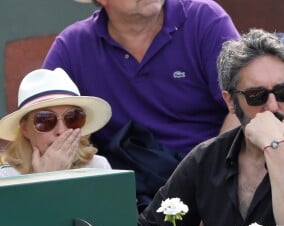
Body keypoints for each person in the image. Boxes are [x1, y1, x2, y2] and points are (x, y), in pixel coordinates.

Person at [42, 0, 240, 211]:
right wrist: (45, 176)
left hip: (213, 181)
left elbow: (245, 106)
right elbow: (38, 118)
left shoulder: (204, 18)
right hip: (125, 198)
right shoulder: (73, 46)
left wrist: (211, 182)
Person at [138, 28, 284, 226]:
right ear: (230, 101)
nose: (273, 106)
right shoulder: (205, 159)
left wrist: (275, 146)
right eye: (256, 95)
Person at [0, 68, 112, 177]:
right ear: (25, 129)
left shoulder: (98, 168)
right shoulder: (6, 177)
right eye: (45, 120)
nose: (61, 130)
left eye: (72, 118)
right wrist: (46, 178)